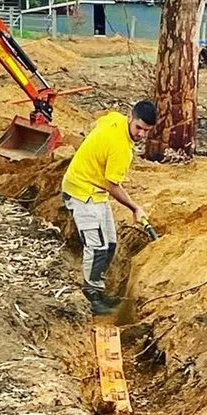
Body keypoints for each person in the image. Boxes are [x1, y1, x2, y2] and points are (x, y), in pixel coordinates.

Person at [61, 100, 156, 314]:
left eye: (146, 131)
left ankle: (100, 289)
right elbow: (113, 186)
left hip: (95, 191)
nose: (141, 134)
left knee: (110, 244)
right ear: (130, 117)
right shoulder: (121, 149)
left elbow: (99, 122)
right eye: (139, 127)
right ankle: (91, 295)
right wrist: (135, 208)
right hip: (81, 191)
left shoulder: (115, 118)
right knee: (96, 247)